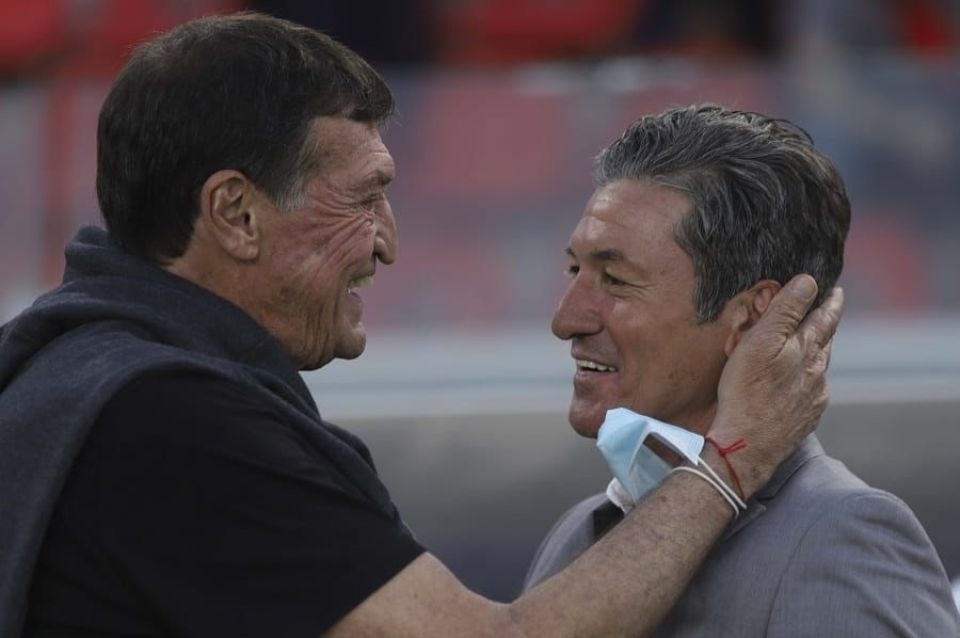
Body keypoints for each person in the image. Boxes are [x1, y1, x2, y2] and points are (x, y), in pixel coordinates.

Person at [0, 14, 842, 637]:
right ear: (236, 214)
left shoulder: (75, 372)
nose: (389, 243)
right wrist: (729, 461)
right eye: (364, 197)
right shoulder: (171, 420)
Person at [523, 104, 960, 636]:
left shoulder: (840, 538)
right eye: (574, 269)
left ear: (754, 317)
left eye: (615, 280)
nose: (566, 320)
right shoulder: (576, 537)